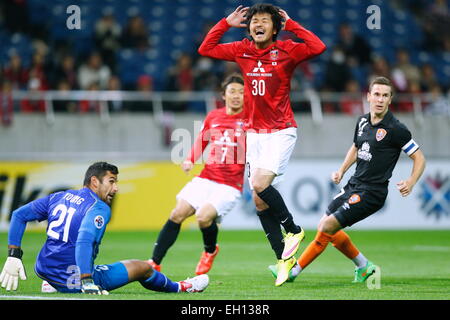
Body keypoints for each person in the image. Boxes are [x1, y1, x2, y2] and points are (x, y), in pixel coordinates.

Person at [198, 4, 326, 286]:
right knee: (258, 199)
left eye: (265, 21)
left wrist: (292, 24)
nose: (258, 24)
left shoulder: (288, 50)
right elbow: (205, 49)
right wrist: (224, 23)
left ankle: (293, 229)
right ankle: (284, 260)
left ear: (274, 27)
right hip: (254, 134)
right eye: (254, 21)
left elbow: (318, 47)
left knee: (258, 184)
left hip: (281, 131)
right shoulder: (241, 48)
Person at [271, 76, 426, 284]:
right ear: (368, 96)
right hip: (353, 185)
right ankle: (364, 267)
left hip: (372, 193)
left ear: (390, 99)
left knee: (327, 226)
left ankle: (292, 271)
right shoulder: (362, 121)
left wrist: (411, 181)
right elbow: (356, 147)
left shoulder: (396, 129)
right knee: (326, 227)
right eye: (377, 94)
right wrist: (342, 171)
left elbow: (419, 157)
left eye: (385, 96)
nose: (380, 99)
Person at [0, 162, 209, 294]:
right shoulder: (98, 208)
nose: (116, 188)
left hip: (44, 269)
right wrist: (86, 281)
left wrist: (13, 254)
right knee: (144, 268)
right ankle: (183, 287)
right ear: (94, 182)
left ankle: (53, 283)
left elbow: (19, 215)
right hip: (74, 277)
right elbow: (83, 240)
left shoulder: (60, 196)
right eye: (111, 181)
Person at [149, 73, 246, 276]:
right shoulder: (214, 116)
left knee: (203, 217)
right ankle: (154, 262)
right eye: (232, 91)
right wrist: (190, 159)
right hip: (206, 177)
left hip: (229, 185)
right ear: (224, 95)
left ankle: (210, 251)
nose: (237, 96)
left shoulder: (251, 119)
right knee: (177, 213)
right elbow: (202, 140)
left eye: (241, 92)